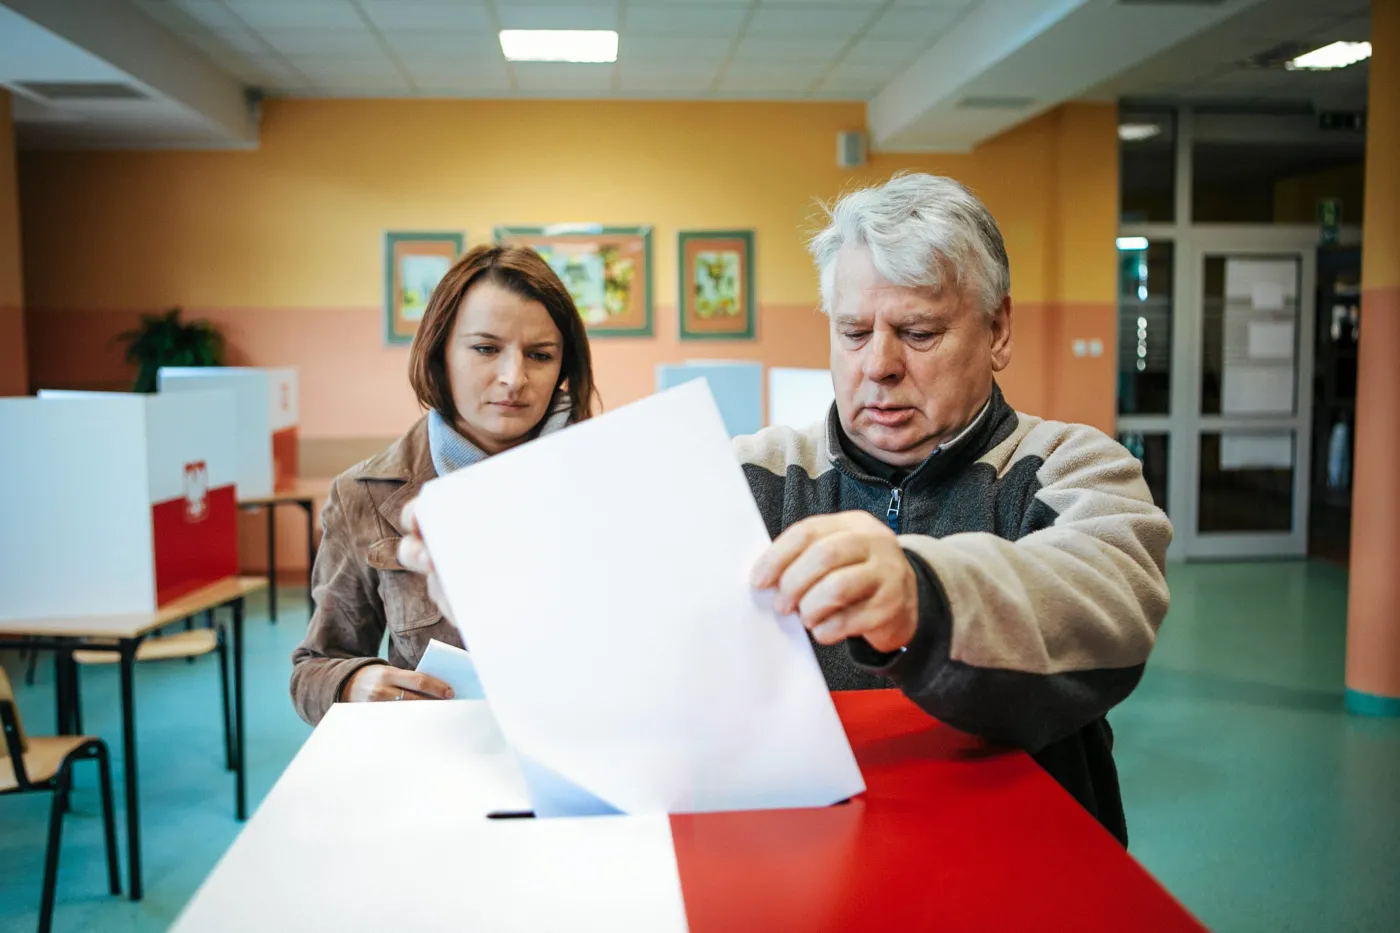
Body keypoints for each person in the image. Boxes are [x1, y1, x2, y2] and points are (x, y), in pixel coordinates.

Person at [399, 173, 1171, 845]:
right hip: (808, 865)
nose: (879, 365)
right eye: (854, 330)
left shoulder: (1069, 465)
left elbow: (1109, 602)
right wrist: (501, 588)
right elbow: (616, 612)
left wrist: (920, 592)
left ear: (999, 328)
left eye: (920, 332)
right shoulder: (744, 473)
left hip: (1023, 872)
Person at [289, 244, 597, 726]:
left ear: (564, 366)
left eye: (540, 355)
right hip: (442, 763)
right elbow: (313, 667)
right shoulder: (364, 494)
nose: (513, 378)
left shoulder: (610, 470)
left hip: (597, 746)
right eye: (485, 349)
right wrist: (353, 683)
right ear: (440, 354)